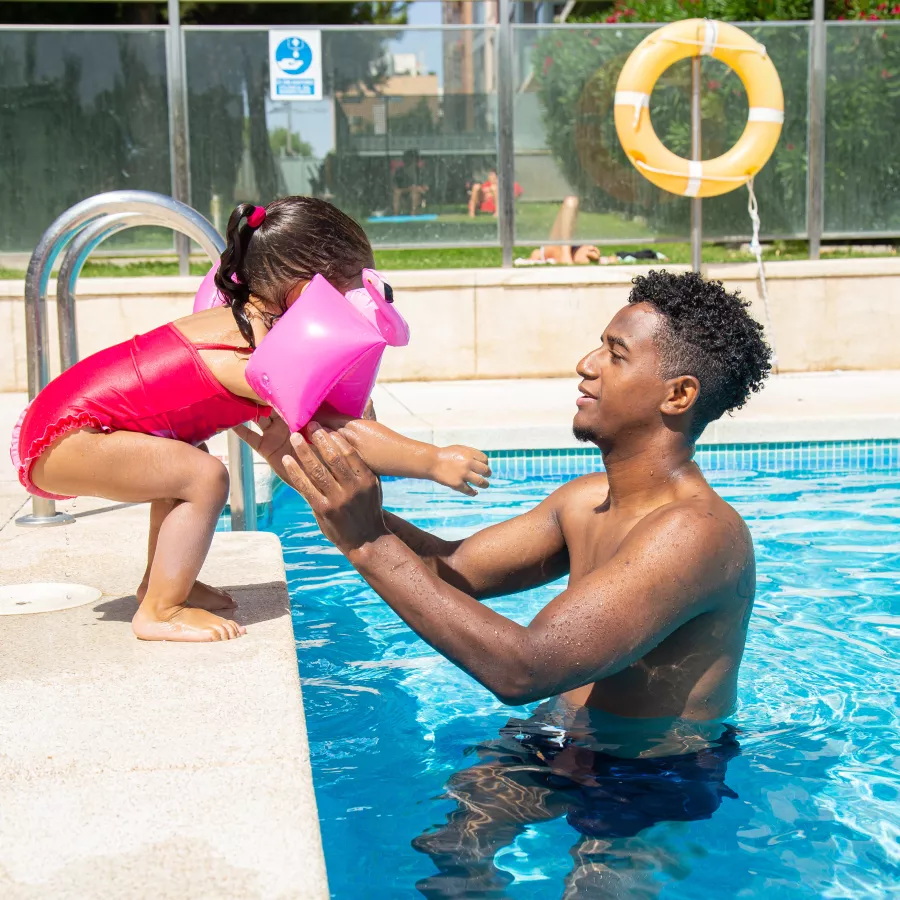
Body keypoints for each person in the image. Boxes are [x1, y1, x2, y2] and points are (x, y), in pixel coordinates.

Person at [242, 270, 772, 895]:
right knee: (449, 856)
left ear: (677, 395)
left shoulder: (698, 532)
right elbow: (451, 570)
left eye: (615, 353)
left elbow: (525, 669)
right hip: (549, 737)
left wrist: (366, 540)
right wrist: (332, 481)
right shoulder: (585, 500)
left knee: (595, 886)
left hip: (657, 770)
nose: (586, 364)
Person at [10, 196, 491, 643]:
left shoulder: (249, 328)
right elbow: (332, 429)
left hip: (62, 426)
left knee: (182, 463)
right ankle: (159, 610)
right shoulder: (248, 358)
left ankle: (161, 581)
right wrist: (432, 459)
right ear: (308, 295)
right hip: (67, 437)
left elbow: (291, 445)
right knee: (203, 476)